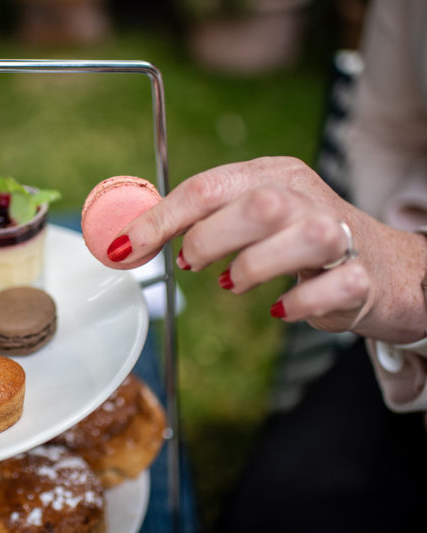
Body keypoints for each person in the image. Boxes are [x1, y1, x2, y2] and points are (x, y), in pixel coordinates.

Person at [97, 0, 427, 530]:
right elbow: (386, 130)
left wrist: (406, 270)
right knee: (275, 502)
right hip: (405, 348)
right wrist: (376, 239)